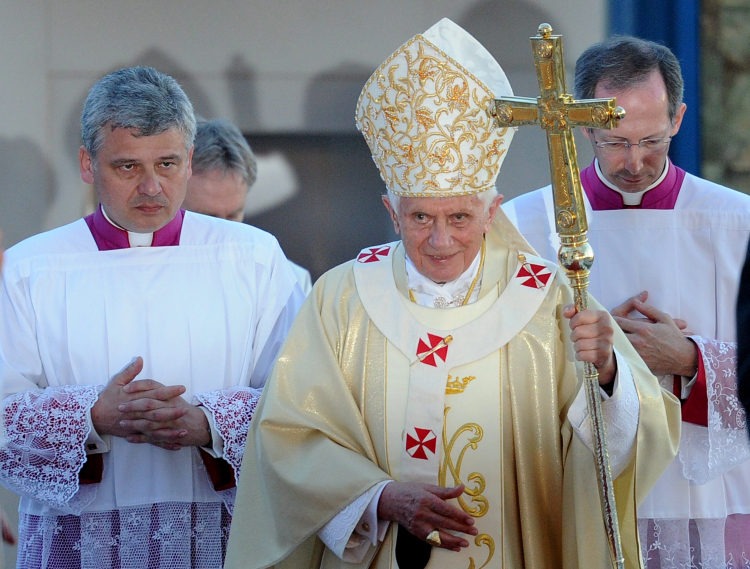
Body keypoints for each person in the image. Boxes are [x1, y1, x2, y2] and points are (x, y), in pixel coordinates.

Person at [224, 19, 679, 569]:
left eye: (460, 216)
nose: (440, 241)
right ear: (391, 212)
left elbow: (642, 435)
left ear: (492, 211)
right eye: (420, 217)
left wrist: (605, 373)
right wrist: (380, 496)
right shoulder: (342, 299)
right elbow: (288, 436)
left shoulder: (546, 300)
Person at [0, 67, 305, 568]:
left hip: (221, 538)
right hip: (79, 545)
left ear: (188, 160)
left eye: (166, 163)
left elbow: (304, 403)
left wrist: (210, 422)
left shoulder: (254, 258)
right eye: (126, 167)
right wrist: (90, 417)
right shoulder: (29, 269)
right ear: (86, 163)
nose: (151, 187)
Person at [505, 36, 750, 568]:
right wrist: (585, 352)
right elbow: (501, 373)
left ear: (679, 119)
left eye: (652, 140)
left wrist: (688, 360)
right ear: (584, 125)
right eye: (614, 142)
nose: (634, 162)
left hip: (716, 504)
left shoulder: (739, 222)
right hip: (582, 487)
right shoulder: (524, 227)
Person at [182, 118, 312, 294]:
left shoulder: (287, 282)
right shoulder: (145, 273)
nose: (224, 232)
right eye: (208, 219)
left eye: (233, 216)